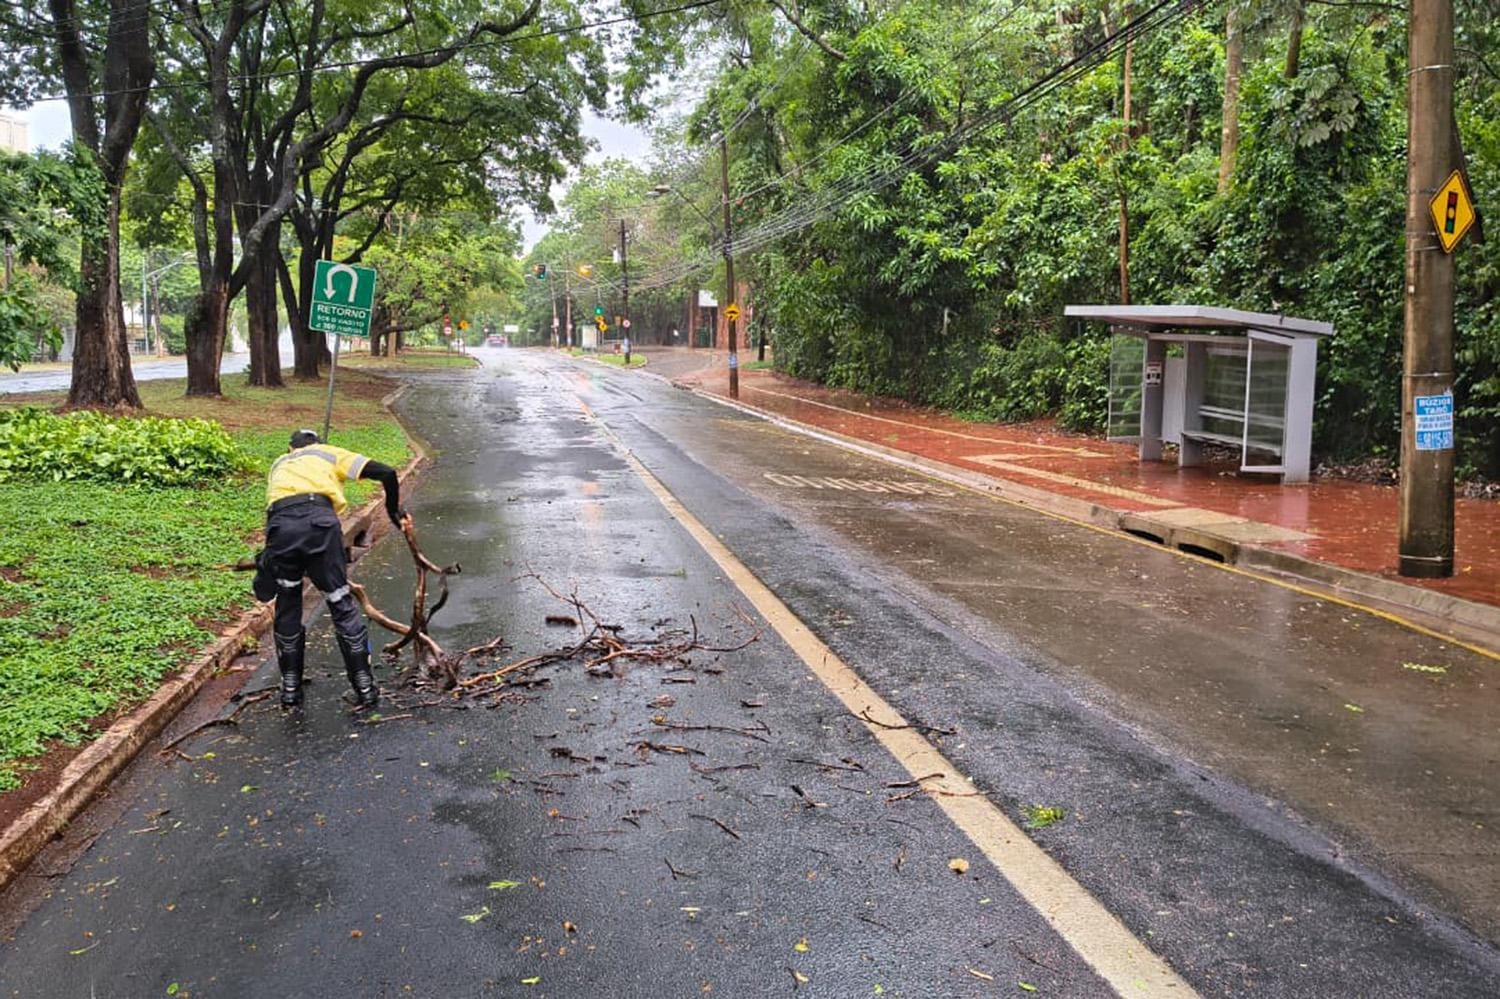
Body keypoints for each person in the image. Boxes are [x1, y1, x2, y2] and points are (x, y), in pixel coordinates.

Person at [253, 429, 405, 710]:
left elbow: (274, 509)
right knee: (339, 600)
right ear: (318, 443)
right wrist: (394, 511)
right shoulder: (329, 453)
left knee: (288, 600)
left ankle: (290, 689)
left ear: (290, 448)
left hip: (281, 529)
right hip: (320, 526)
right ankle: (364, 685)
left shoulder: (279, 463)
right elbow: (386, 472)